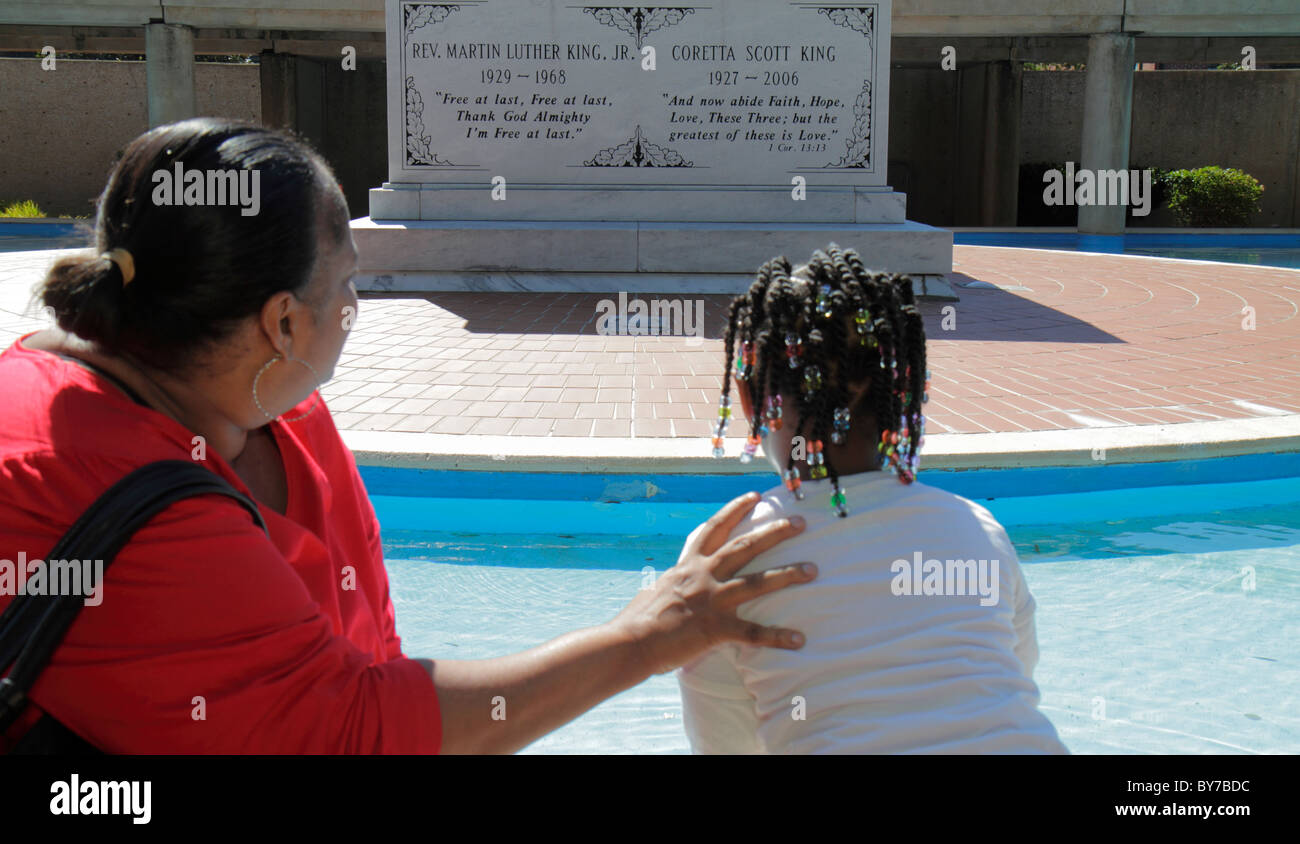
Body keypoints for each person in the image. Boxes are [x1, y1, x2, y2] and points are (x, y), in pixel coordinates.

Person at [0, 118, 817, 754]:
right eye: (349, 281)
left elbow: (373, 648)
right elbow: (352, 728)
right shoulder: (86, 480)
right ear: (282, 322)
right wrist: (650, 634)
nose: (356, 305)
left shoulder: (282, 413)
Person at [676, 245, 1067, 754]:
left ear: (750, 400)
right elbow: (1010, 680)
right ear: (907, 393)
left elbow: (724, 744)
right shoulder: (977, 528)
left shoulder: (726, 557)